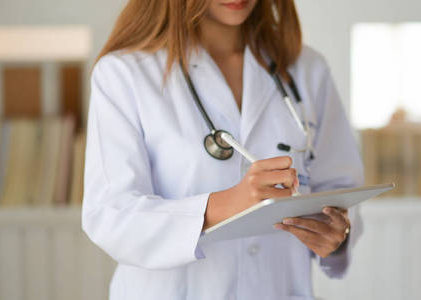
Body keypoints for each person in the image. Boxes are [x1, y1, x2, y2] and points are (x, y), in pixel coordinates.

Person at [81, 0, 363, 299]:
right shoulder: (124, 74)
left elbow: (341, 188)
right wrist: (224, 204)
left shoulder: (306, 68)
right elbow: (112, 216)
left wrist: (338, 236)